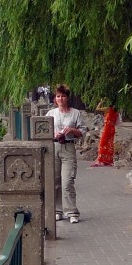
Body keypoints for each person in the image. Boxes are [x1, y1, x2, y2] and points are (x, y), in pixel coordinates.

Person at [46, 84, 86, 224]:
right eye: (58, 96)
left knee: (67, 181)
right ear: (55, 99)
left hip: (68, 147)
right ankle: (57, 210)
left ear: (67, 98)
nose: (61, 99)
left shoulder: (75, 113)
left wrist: (72, 130)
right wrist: (53, 134)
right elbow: (44, 131)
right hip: (54, 147)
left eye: (63, 96)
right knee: (55, 181)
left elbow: (83, 132)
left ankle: (72, 211)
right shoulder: (51, 113)